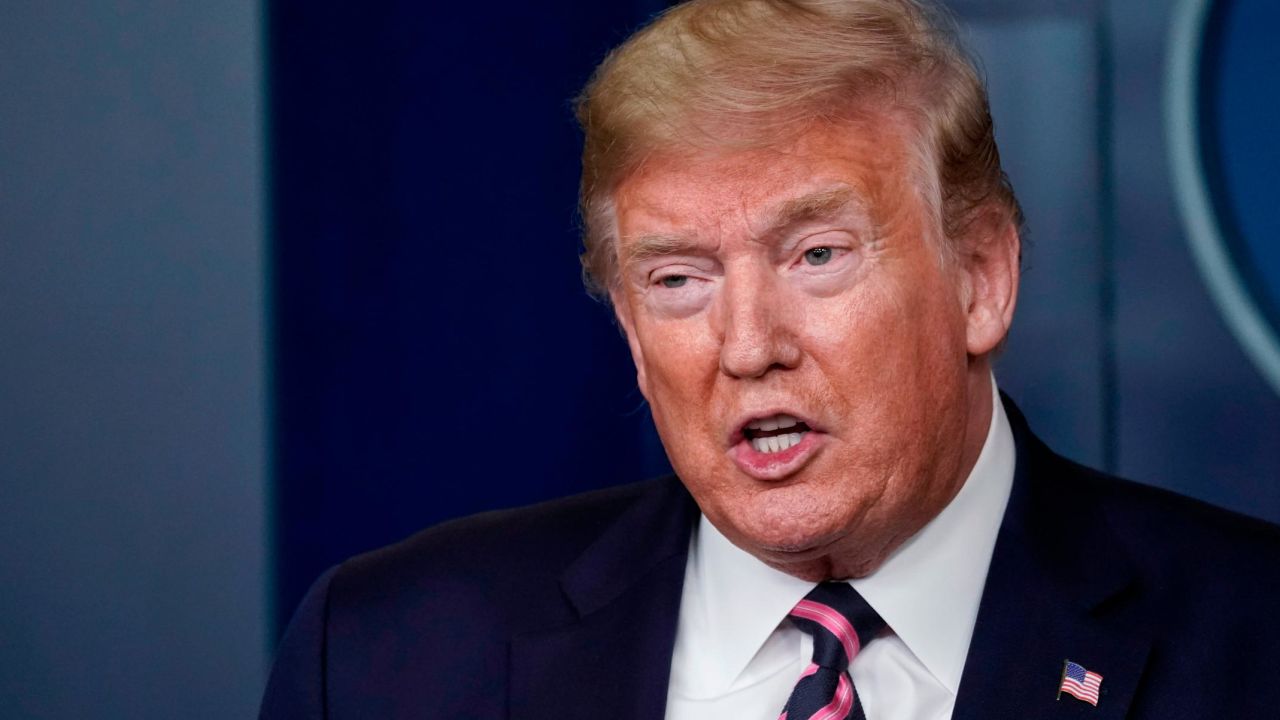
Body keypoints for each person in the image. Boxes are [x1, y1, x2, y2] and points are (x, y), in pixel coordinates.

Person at [259, 1, 1280, 718]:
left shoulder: (1251, 644)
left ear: (979, 278)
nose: (747, 347)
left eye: (816, 256)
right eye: (676, 280)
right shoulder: (384, 657)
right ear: (625, 324)